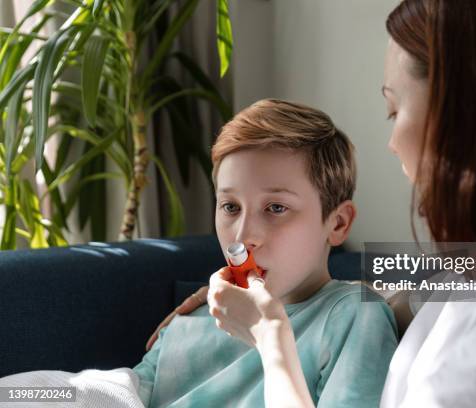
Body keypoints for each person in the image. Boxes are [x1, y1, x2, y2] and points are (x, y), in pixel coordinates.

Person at [148, 0, 476, 406]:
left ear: (464, 114)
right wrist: (300, 300)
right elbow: (409, 292)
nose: (391, 142)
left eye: (395, 108)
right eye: (230, 206)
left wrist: (272, 337)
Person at [134, 99, 398, 407]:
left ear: (337, 223)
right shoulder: (188, 321)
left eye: (276, 208)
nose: (243, 236)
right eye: (230, 207)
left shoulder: (352, 317)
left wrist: (269, 331)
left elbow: (462, 282)